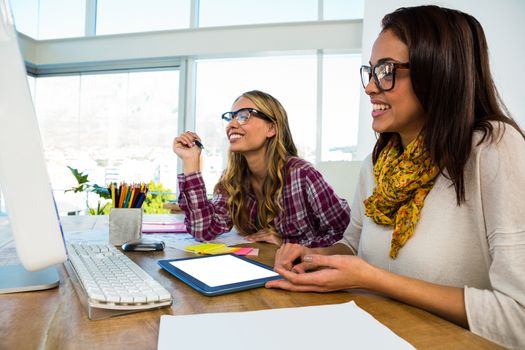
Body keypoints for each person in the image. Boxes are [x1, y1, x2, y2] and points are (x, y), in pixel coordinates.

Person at [266, 6, 525, 349]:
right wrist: (313, 256)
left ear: (439, 70)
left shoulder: (492, 147)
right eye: (370, 71)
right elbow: (354, 247)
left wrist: (374, 279)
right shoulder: (376, 163)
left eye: (386, 70)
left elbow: (518, 317)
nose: (371, 87)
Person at [172, 90, 350, 247]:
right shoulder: (232, 178)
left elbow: (346, 238)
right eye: (230, 117)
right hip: (263, 268)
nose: (231, 124)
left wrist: (288, 242)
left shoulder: (301, 174)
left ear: (271, 128)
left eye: (243, 116)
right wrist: (191, 160)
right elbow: (203, 230)